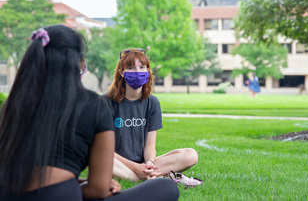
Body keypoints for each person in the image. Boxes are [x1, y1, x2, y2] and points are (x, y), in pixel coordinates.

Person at [0, 25, 179, 201]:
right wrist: (86, 185)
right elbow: (97, 191)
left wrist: (78, 182)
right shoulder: (93, 105)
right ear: (78, 62)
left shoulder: (12, 106)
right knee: (166, 187)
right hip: (61, 195)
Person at [103, 48, 198, 181]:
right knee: (97, 154)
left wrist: (150, 163)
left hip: (142, 164)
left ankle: (139, 175)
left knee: (191, 155)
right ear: (122, 73)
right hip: (116, 162)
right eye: (131, 68)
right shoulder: (104, 102)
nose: (137, 72)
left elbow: (149, 146)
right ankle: (143, 176)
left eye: (142, 67)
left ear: (147, 71)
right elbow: (102, 147)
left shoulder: (152, 102)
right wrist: (136, 167)